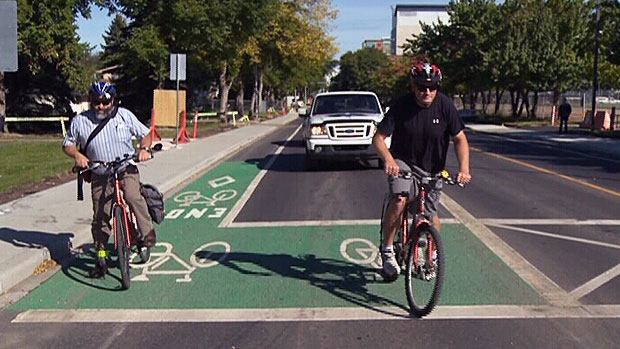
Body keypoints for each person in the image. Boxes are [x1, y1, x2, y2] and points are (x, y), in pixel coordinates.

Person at [372, 62, 471, 281]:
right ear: (413, 86)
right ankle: (388, 250)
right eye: (421, 87)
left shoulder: (445, 106)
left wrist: (464, 168)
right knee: (399, 199)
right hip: (403, 162)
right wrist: (388, 159)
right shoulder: (401, 106)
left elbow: (460, 139)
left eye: (432, 87)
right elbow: (378, 139)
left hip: (432, 169)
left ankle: (431, 255)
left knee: (430, 215)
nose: (427, 92)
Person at [62, 81, 156, 278]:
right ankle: (101, 257)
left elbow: (146, 134)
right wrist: (77, 155)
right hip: (99, 171)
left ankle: (147, 234)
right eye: (96, 102)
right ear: (91, 102)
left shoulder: (124, 115)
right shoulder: (81, 121)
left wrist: (144, 149)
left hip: (124, 166)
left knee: (132, 195)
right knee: (100, 217)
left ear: (113, 101)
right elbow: (68, 143)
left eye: (105, 102)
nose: (101, 107)